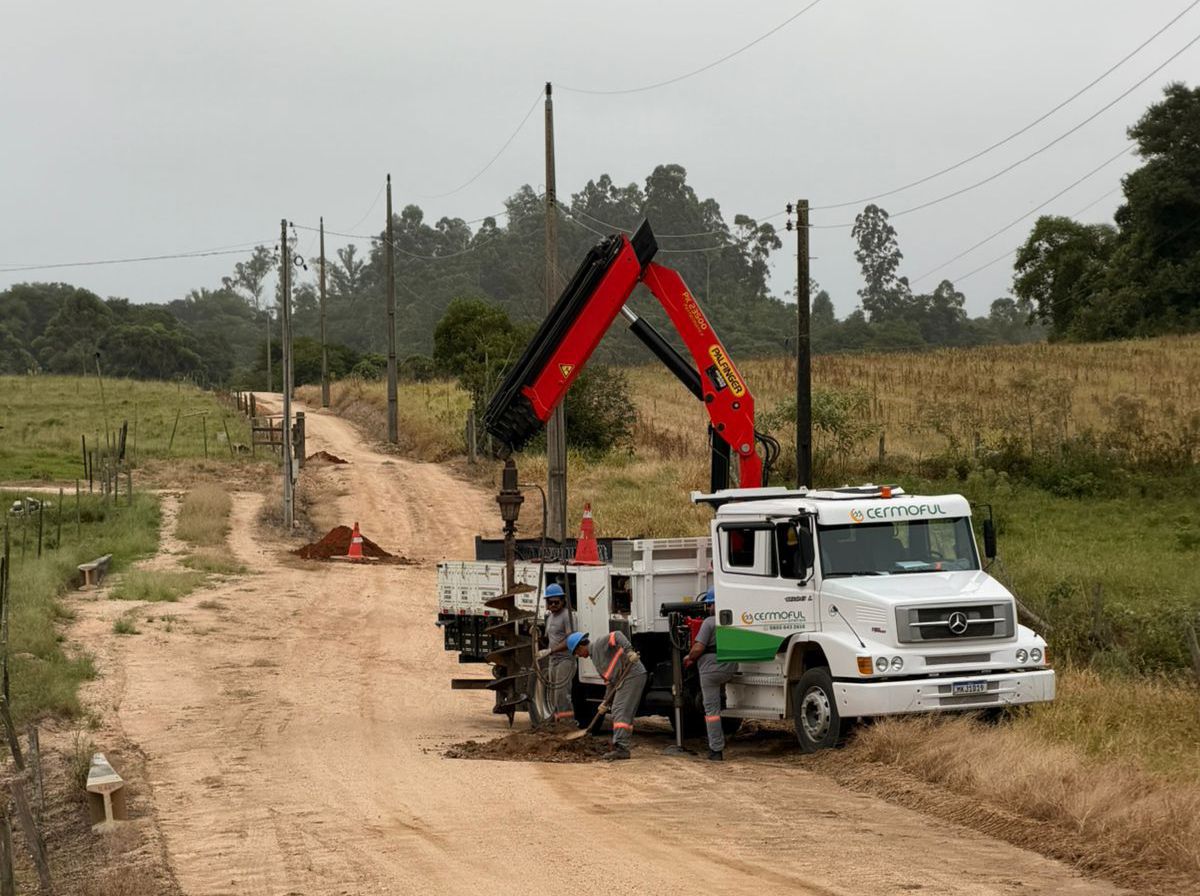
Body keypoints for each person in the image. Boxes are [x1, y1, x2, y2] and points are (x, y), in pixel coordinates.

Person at [567, 630, 647, 761]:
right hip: (624, 679)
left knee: (620, 710)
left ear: (581, 646)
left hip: (633, 674)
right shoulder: (595, 658)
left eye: (576, 653)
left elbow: (617, 635)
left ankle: (622, 748)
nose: (578, 656)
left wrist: (629, 651)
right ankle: (620, 744)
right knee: (617, 709)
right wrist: (605, 702)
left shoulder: (599, 644)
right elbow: (610, 681)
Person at [683, 587, 737, 761]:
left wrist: (689, 658)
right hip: (730, 667)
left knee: (711, 712)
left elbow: (698, 648)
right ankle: (723, 699)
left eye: (710, 604)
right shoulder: (732, 619)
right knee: (718, 698)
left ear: (714, 604)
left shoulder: (709, 622)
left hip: (710, 671)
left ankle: (716, 750)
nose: (709, 608)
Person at [536, 583, 576, 726]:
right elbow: (549, 639)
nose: (553, 605)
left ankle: (568, 724)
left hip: (566, 660)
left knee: (561, 694)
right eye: (550, 602)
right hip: (553, 661)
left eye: (556, 602)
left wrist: (551, 650)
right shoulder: (550, 617)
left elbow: (570, 640)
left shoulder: (566, 615)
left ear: (563, 601)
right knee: (553, 694)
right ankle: (558, 724)